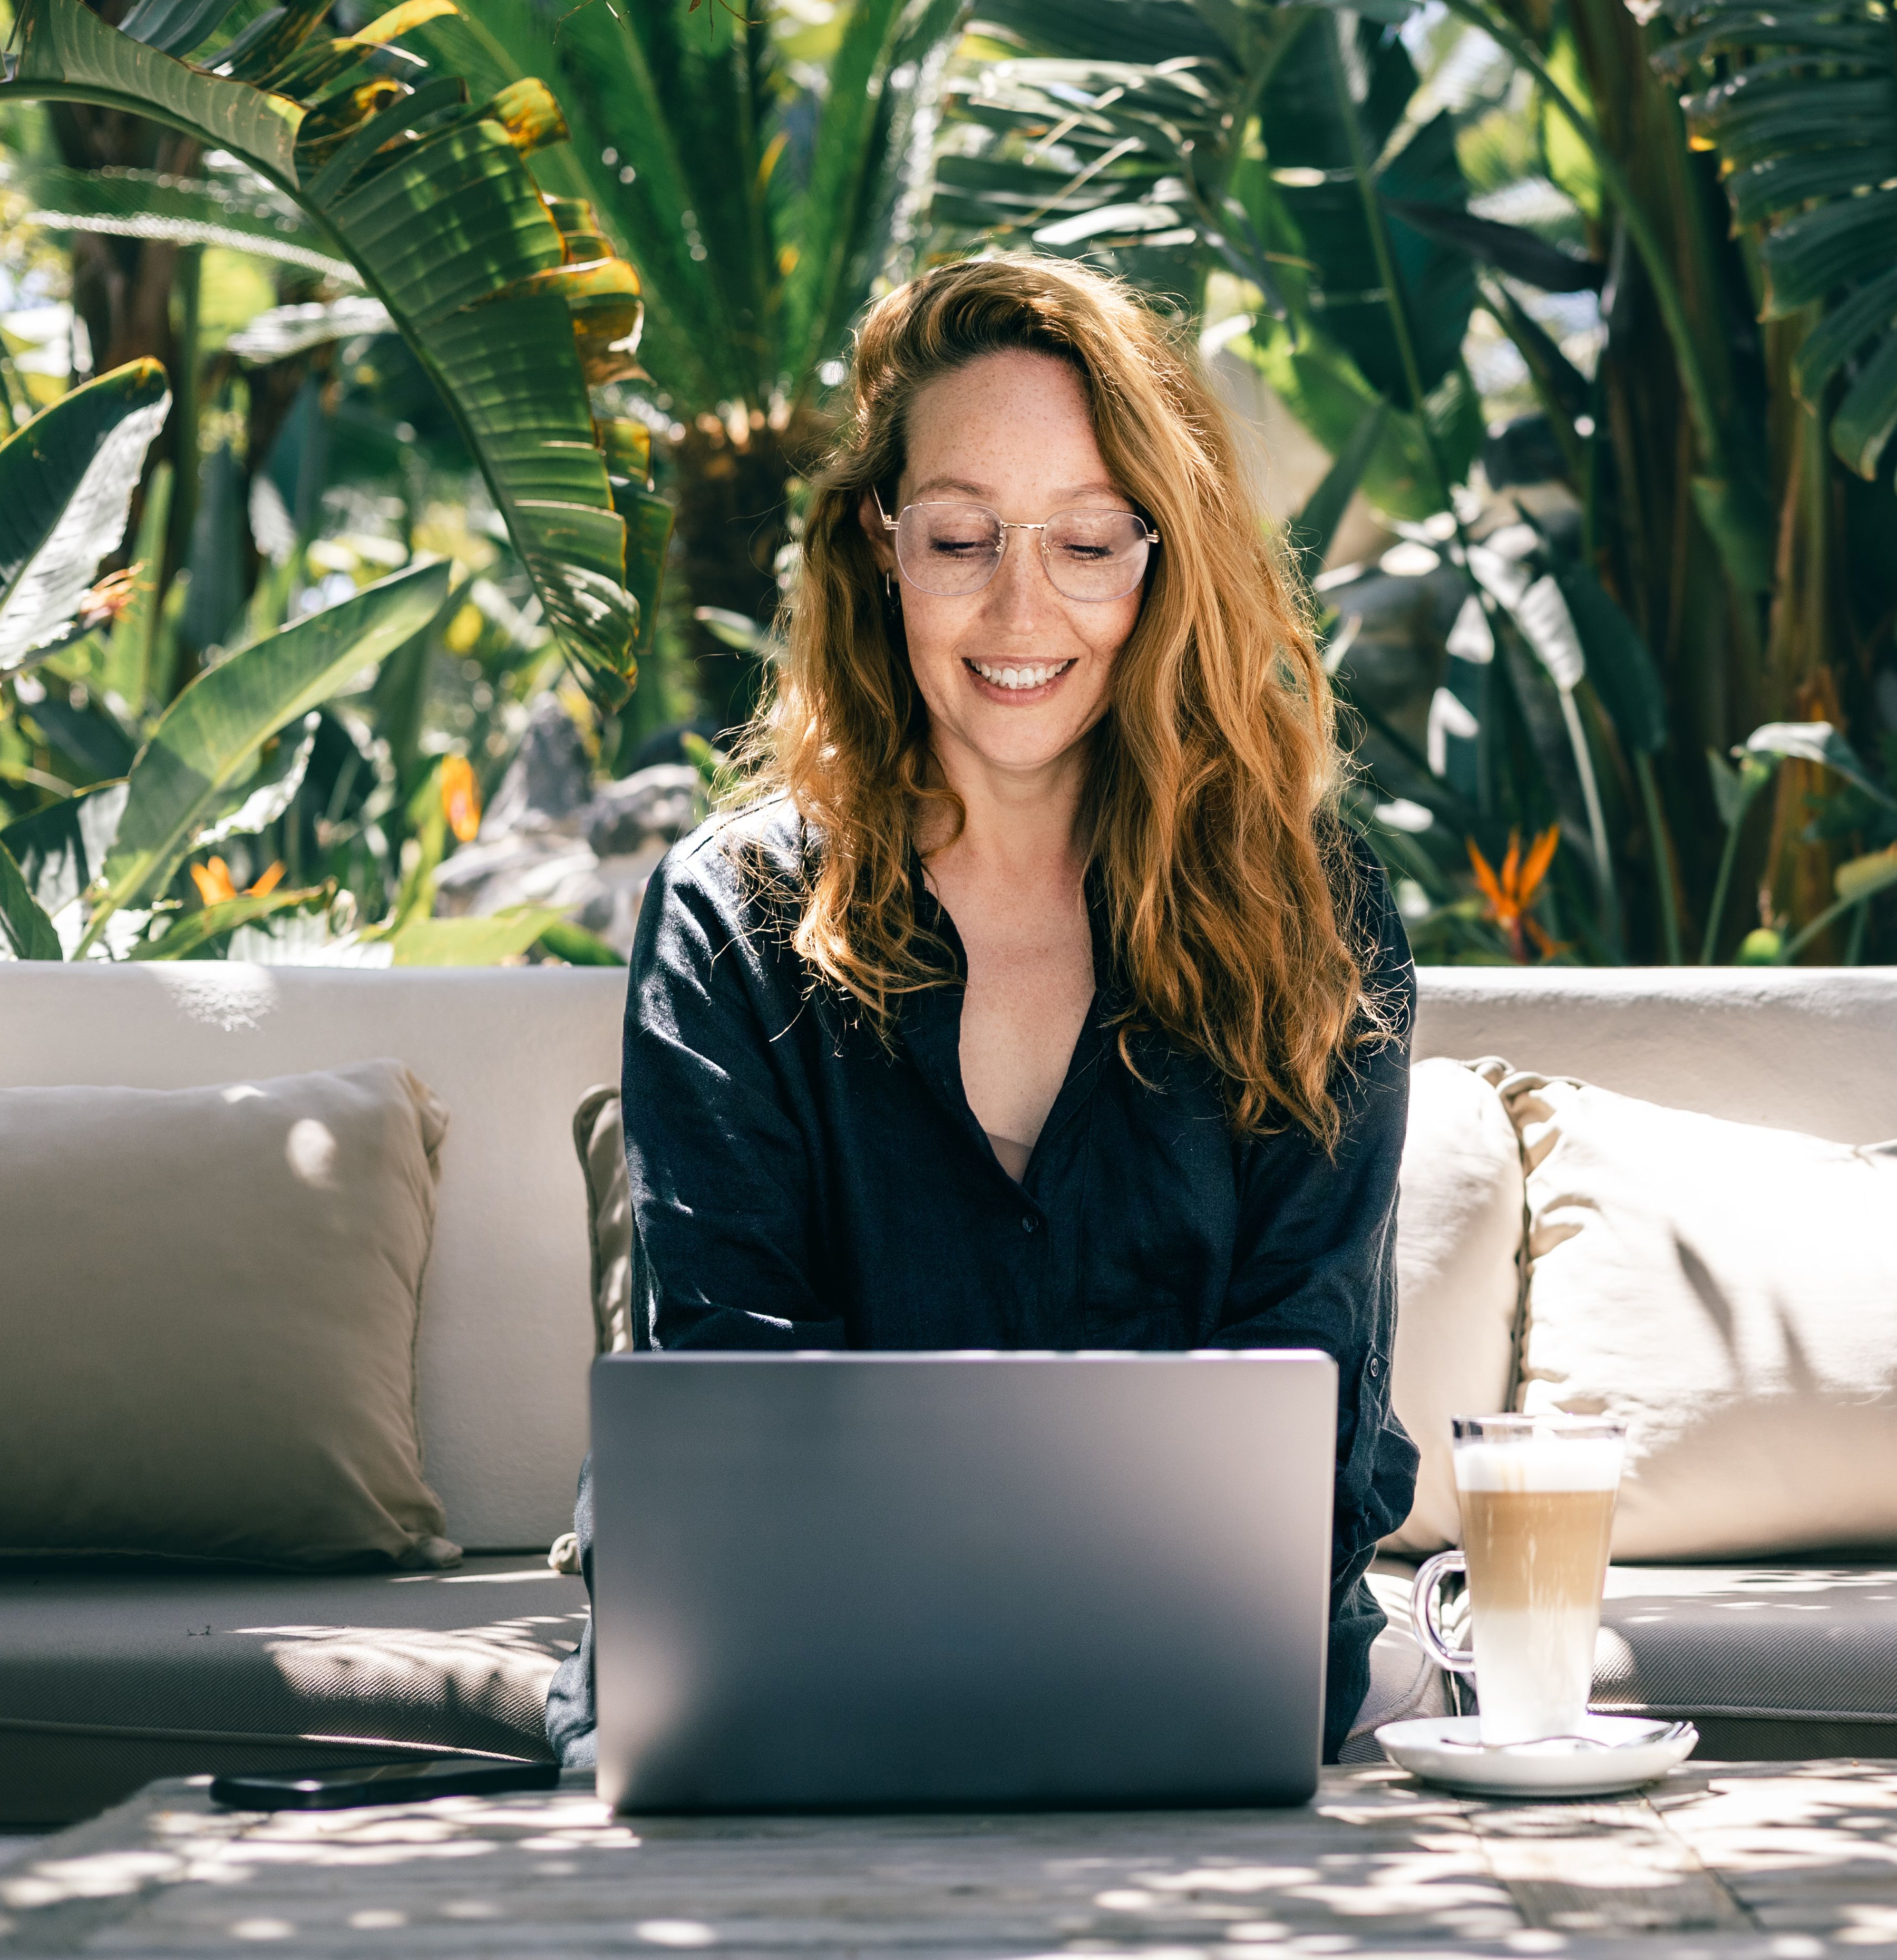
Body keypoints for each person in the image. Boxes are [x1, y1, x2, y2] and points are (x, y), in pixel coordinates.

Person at [545, 252, 1417, 1765]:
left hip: (1209, 1661)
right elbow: (730, 1392)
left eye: (1086, 541)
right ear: (878, 542)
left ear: (1165, 554)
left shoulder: (1312, 914)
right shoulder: (731, 918)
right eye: (962, 537)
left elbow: (1315, 1386)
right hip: (797, 1656)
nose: (1022, 609)